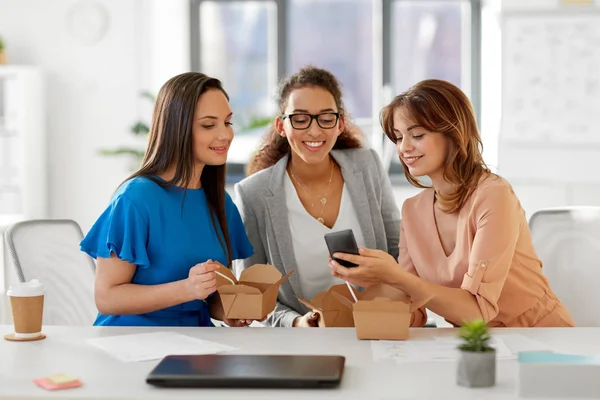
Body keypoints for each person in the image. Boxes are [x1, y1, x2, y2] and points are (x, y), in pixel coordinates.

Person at [329, 79, 575, 328]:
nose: (403, 148)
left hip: (539, 335)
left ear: (454, 133)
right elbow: (411, 305)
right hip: (474, 343)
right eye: (398, 137)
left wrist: (396, 276)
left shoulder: (493, 195)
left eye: (417, 135)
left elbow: (477, 309)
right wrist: (372, 286)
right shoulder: (413, 211)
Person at [80, 72, 255, 327]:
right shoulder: (137, 198)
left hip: (196, 342)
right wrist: (187, 288)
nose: (225, 135)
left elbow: (212, 298)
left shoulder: (220, 202)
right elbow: (107, 297)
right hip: (132, 341)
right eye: (209, 125)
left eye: (227, 123)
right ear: (178, 128)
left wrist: (232, 311)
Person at [235, 66, 400, 327]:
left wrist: (388, 283)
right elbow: (254, 294)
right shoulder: (253, 193)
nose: (314, 131)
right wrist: (296, 322)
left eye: (326, 118)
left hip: (376, 328)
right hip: (303, 342)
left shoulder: (367, 166)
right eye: (300, 119)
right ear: (281, 125)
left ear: (340, 123)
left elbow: (399, 251)